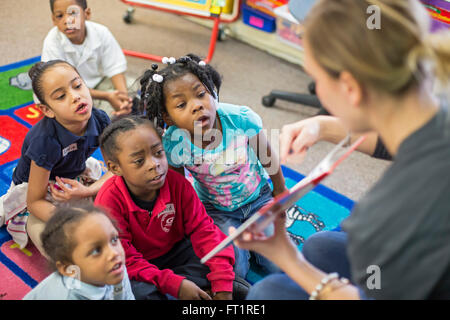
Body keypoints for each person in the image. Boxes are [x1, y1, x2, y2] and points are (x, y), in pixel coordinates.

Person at [232, 0, 450, 300]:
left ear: (350, 88)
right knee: (320, 246)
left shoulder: (394, 211)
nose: (317, 87)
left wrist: (286, 257)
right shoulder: (436, 104)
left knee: (267, 293)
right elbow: (403, 138)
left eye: (317, 79)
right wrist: (323, 126)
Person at [139, 53, 287, 279]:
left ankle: (263, 240)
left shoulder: (240, 119)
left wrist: (280, 191)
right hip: (215, 209)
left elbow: (267, 157)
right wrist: (190, 221)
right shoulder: (173, 141)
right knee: (234, 270)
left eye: (201, 94)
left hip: (259, 198)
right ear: (168, 118)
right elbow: (180, 186)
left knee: (278, 265)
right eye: (181, 104)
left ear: (212, 91)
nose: (197, 105)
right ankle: (247, 245)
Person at [94, 115, 244, 300]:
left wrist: (222, 287)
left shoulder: (178, 184)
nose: (154, 164)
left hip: (179, 252)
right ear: (115, 168)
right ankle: (193, 290)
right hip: (138, 266)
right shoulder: (108, 202)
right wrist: (175, 284)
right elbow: (124, 259)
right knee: (135, 291)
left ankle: (200, 290)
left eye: (158, 153)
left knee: (227, 254)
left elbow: (204, 231)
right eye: (139, 161)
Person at [0, 60, 113, 257]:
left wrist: (87, 190)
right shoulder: (45, 141)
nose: (75, 96)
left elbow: (118, 168)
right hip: (35, 193)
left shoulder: (101, 119)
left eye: (78, 85)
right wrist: (71, 222)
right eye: (61, 96)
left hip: (75, 178)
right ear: (47, 110)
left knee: (125, 191)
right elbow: (35, 202)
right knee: (57, 241)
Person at [41, 0, 135, 117]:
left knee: (133, 85)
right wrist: (107, 96)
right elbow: (61, 87)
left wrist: (123, 98)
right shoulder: (52, 42)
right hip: (68, 93)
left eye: (73, 13)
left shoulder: (101, 32)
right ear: (54, 20)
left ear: (87, 14)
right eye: (60, 16)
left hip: (97, 84)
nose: (67, 21)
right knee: (104, 117)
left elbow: (115, 68)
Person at [23, 202, 135, 300]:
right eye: (96, 251)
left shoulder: (115, 267)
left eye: (114, 239)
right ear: (69, 269)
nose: (114, 253)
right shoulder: (67, 296)